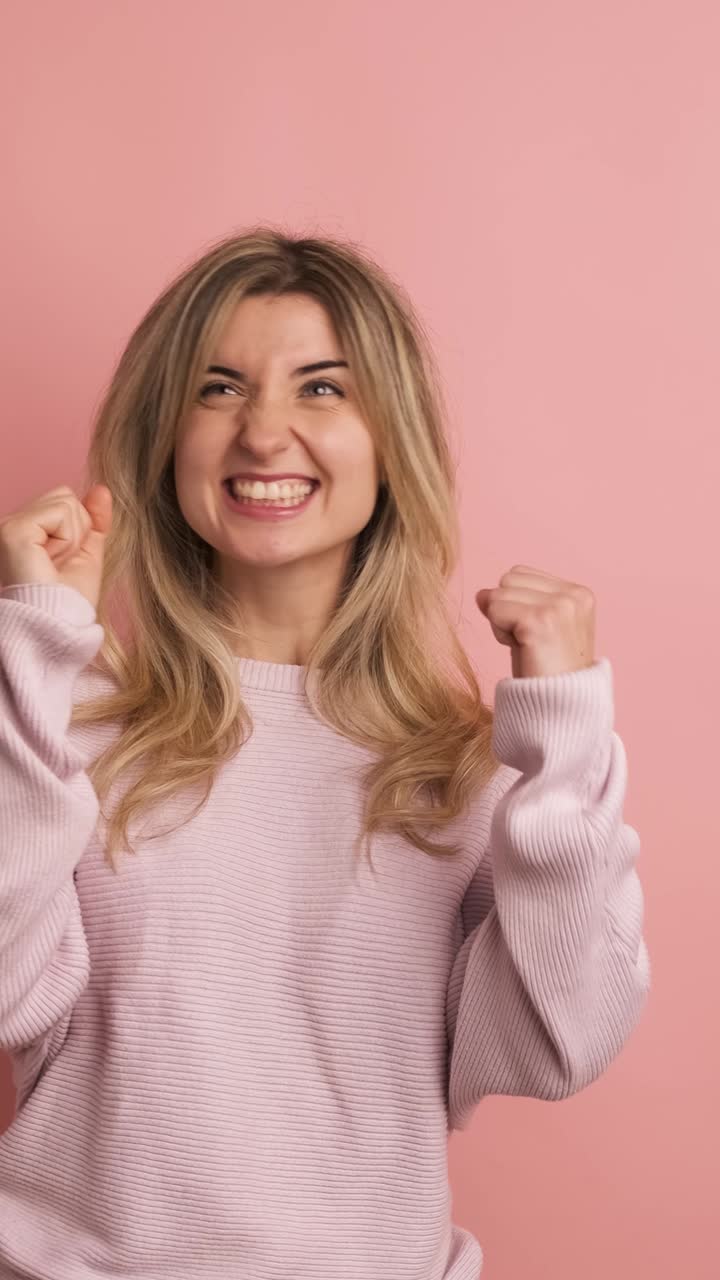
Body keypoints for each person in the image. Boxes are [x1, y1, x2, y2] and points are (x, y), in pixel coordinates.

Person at [0, 226, 650, 1279]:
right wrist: (33, 647)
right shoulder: (63, 720)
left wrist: (567, 728)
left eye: (319, 389)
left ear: (391, 439)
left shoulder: (473, 770)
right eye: (218, 388)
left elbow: (562, 1040)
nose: (264, 432)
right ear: (166, 438)